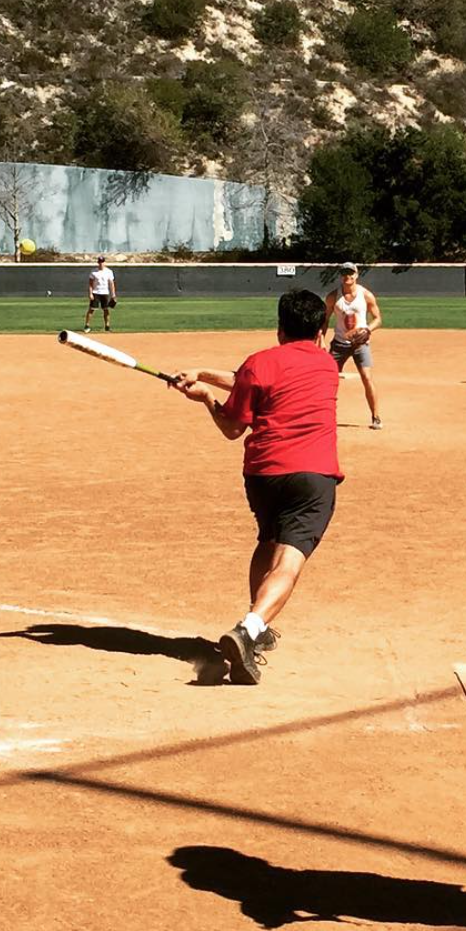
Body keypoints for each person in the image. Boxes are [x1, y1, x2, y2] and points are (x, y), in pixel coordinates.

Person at [173, 288, 342, 686]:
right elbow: (249, 382)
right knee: (289, 559)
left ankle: (256, 625)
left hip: (263, 476)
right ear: (321, 331)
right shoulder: (327, 364)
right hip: (312, 476)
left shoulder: (259, 363)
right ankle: (249, 628)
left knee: (267, 541)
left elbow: (234, 421)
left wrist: (206, 398)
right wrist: (203, 377)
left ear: (279, 329)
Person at [324, 262, 383, 430]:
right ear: (341, 276)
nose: (347, 276)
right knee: (327, 380)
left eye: (351, 273)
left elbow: (378, 318)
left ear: (356, 275)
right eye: (344, 273)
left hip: (360, 344)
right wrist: (320, 339)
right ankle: (323, 415)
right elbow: (325, 319)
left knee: (367, 378)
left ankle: (376, 416)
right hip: (339, 344)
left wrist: (367, 329)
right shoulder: (333, 297)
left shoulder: (365, 295)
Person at [85, 256, 117, 332]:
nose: (101, 263)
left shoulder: (109, 272)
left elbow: (111, 284)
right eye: (99, 262)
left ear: (104, 263)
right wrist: (90, 294)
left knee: (106, 310)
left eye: (102, 262)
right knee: (91, 309)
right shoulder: (94, 272)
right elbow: (90, 284)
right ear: (98, 263)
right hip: (96, 292)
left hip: (105, 293)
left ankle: (107, 326)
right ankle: (87, 325)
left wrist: (113, 295)